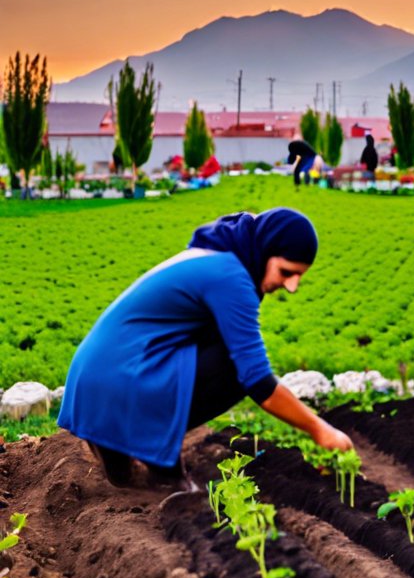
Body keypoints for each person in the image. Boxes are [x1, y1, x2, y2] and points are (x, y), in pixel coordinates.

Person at [58, 208, 353, 489]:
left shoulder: (215, 256)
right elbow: (258, 380)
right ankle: (153, 453)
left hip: (93, 383)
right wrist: (319, 428)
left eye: (299, 275)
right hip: (115, 381)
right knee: (235, 369)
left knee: (221, 347)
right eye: (287, 271)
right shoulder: (231, 278)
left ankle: (116, 448)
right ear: (266, 252)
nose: (292, 286)